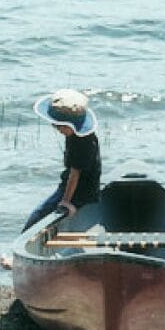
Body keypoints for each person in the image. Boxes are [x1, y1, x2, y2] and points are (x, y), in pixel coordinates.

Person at [23, 88, 101, 231]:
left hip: (79, 192)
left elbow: (74, 174)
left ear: (71, 126)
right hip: (88, 188)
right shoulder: (78, 136)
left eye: (60, 126)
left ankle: (22, 243)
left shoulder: (80, 143)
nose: (57, 129)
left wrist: (66, 201)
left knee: (38, 214)